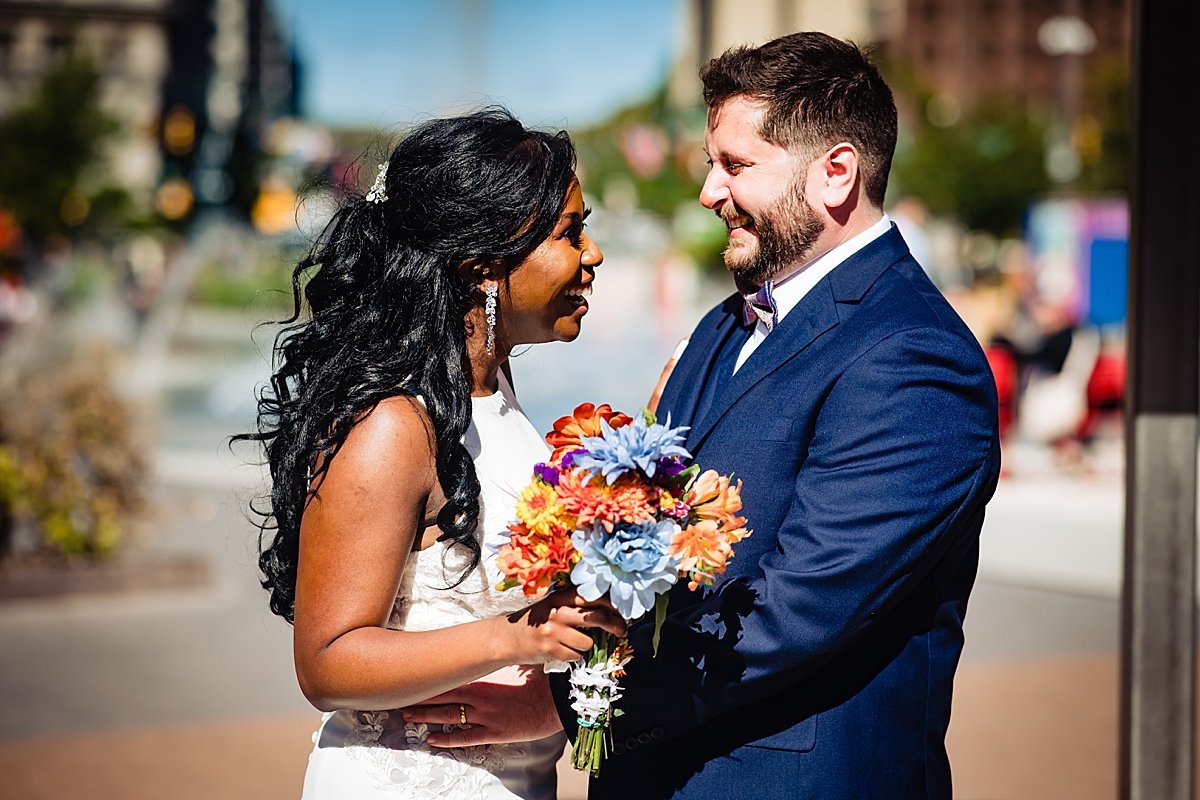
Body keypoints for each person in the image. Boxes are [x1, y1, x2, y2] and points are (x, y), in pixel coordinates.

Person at [550, 32, 1001, 798]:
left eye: (736, 165)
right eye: (709, 164)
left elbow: (794, 613)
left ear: (836, 173)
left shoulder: (916, 356)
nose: (708, 193)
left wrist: (590, 699)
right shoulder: (726, 324)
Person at [239, 108, 624, 799]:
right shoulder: (395, 421)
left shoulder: (492, 387)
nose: (592, 253)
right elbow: (327, 663)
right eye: (570, 232)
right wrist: (516, 638)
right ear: (484, 261)